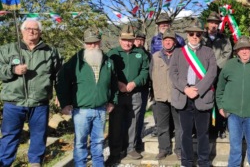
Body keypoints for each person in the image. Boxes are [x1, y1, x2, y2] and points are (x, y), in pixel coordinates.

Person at [0, 19, 62, 167]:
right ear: (22, 31)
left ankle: (35, 163)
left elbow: (59, 75)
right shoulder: (7, 49)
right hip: (14, 102)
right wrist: (13, 70)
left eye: (35, 29)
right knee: (10, 136)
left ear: (40, 32)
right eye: (28, 28)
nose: (31, 31)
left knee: (39, 136)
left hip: (40, 102)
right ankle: (4, 163)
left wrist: (60, 94)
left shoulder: (50, 52)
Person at [56, 27, 118, 167]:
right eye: (89, 43)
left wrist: (112, 101)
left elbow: (113, 84)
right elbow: (62, 80)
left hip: (101, 109)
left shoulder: (108, 61)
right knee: (80, 142)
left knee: (98, 141)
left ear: (100, 42)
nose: (92, 46)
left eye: (95, 42)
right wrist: (65, 102)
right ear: (84, 43)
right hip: (81, 110)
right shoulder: (76, 60)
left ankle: (98, 164)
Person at [216, 36, 250, 167]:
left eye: (247, 48)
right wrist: (220, 106)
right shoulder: (229, 65)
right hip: (233, 114)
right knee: (235, 146)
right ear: (236, 51)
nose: (244, 51)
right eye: (241, 49)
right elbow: (220, 88)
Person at [169, 20, 217, 167]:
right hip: (184, 96)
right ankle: (187, 161)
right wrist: (186, 88)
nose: (194, 36)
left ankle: (203, 161)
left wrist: (198, 89)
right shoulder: (178, 52)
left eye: (198, 34)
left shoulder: (208, 52)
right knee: (185, 133)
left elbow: (212, 73)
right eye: (191, 34)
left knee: (203, 133)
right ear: (187, 35)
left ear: (201, 35)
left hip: (201, 96)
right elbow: (173, 73)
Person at [106, 26, 150, 164]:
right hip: (117, 94)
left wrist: (135, 83)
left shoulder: (140, 53)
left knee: (134, 122)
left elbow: (145, 71)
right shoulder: (112, 54)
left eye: (130, 40)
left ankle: (131, 148)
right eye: (125, 40)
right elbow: (107, 72)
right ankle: (115, 152)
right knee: (116, 123)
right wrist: (118, 83)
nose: (127, 43)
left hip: (135, 93)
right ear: (120, 39)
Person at [150, 29, 181, 160]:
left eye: (170, 40)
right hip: (160, 96)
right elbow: (151, 74)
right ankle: (164, 149)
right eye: (166, 40)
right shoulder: (155, 56)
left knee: (180, 126)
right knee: (162, 126)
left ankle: (179, 149)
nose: (168, 42)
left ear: (174, 42)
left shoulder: (180, 55)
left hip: (177, 95)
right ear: (162, 42)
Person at [202, 11, 232, 138]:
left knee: (219, 99)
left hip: (220, 73)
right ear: (207, 24)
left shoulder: (224, 39)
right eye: (211, 22)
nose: (213, 25)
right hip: (203, 74)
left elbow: (227, 53)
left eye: (216, 23)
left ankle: (220, 128)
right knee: (205, 99)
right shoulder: (201, 38)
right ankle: (207, 128)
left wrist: (215, 65)